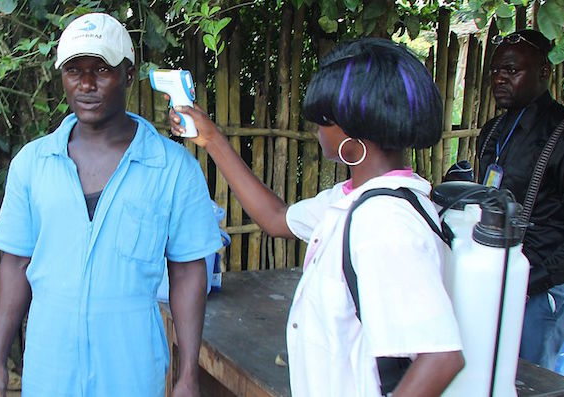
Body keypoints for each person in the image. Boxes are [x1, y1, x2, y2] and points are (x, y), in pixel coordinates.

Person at [169, 38, 464, 396]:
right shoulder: (356, 200)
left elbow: (441, 357)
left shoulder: (384, 224)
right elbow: (276, 218)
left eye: (324, 121)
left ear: (353, 132)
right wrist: (212, 138)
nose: (316, 130)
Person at [0, 13, 222, 397]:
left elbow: (189, 271)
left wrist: (188, 373)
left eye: (102, 70)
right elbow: (16, 263)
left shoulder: (173, 169)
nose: (87, 84)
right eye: (74, 70)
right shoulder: (32, 164)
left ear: (128, 74)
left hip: (132, 370)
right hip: (49, 368)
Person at [476, 29, 564, 370]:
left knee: (529, 384)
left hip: (540, 294)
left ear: (544, 72)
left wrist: (532, 279)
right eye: (495, 71)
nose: (500, 79)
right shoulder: (491, 133)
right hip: (494, 283)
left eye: (511, 70)